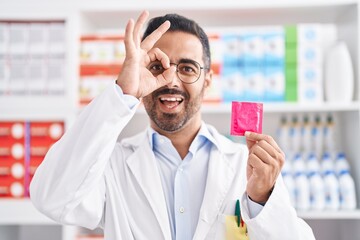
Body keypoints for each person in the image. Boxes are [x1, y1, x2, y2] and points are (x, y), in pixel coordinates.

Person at [30, 11, 315, 240]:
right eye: (157, 67)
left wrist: (262, 199)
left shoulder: (245, 165)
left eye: (188, 68)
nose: (171, 81)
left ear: (207, 80)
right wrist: (122, 94)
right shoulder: (113, 166)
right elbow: (51, 198)